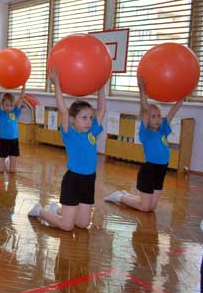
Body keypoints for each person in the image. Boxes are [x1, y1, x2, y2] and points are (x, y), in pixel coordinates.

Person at [28, 68, 106, 231]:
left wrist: (101, 86)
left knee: (83, 224)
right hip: (73, 181)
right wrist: (57, 84)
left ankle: (58, 209)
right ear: (72, 120)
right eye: (84, 118)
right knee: (67, 226)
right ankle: (40, 210)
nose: (89, 121)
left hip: (89, 181)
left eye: (90, 117)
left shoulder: (92, 131)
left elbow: (102, 109)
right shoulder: (69, 133)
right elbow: (62, 108)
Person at [104, 77, 183, 212]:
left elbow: (172, 112)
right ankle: (119, 197)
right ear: (146, 118)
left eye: (158, 115)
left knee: (151, 207)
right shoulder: (146, 132)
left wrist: (182, 96)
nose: (157, 119)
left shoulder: (162, 130)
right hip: (149, 171)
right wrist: (142, 91)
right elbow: (145, 110)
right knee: (145, 207)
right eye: (153, 116)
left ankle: (126, 195)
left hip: (162, 170)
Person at [0, 73, 26, 172]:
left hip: (14, 141)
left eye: (11, 105)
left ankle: (7, 161)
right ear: (2, 104)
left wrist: (24, 84)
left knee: (12, 171)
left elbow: (22, 97)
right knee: (0, 170)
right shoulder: (0, 113)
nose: (9, 108)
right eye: (7, 105)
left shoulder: (15, 112)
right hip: (4, 141)